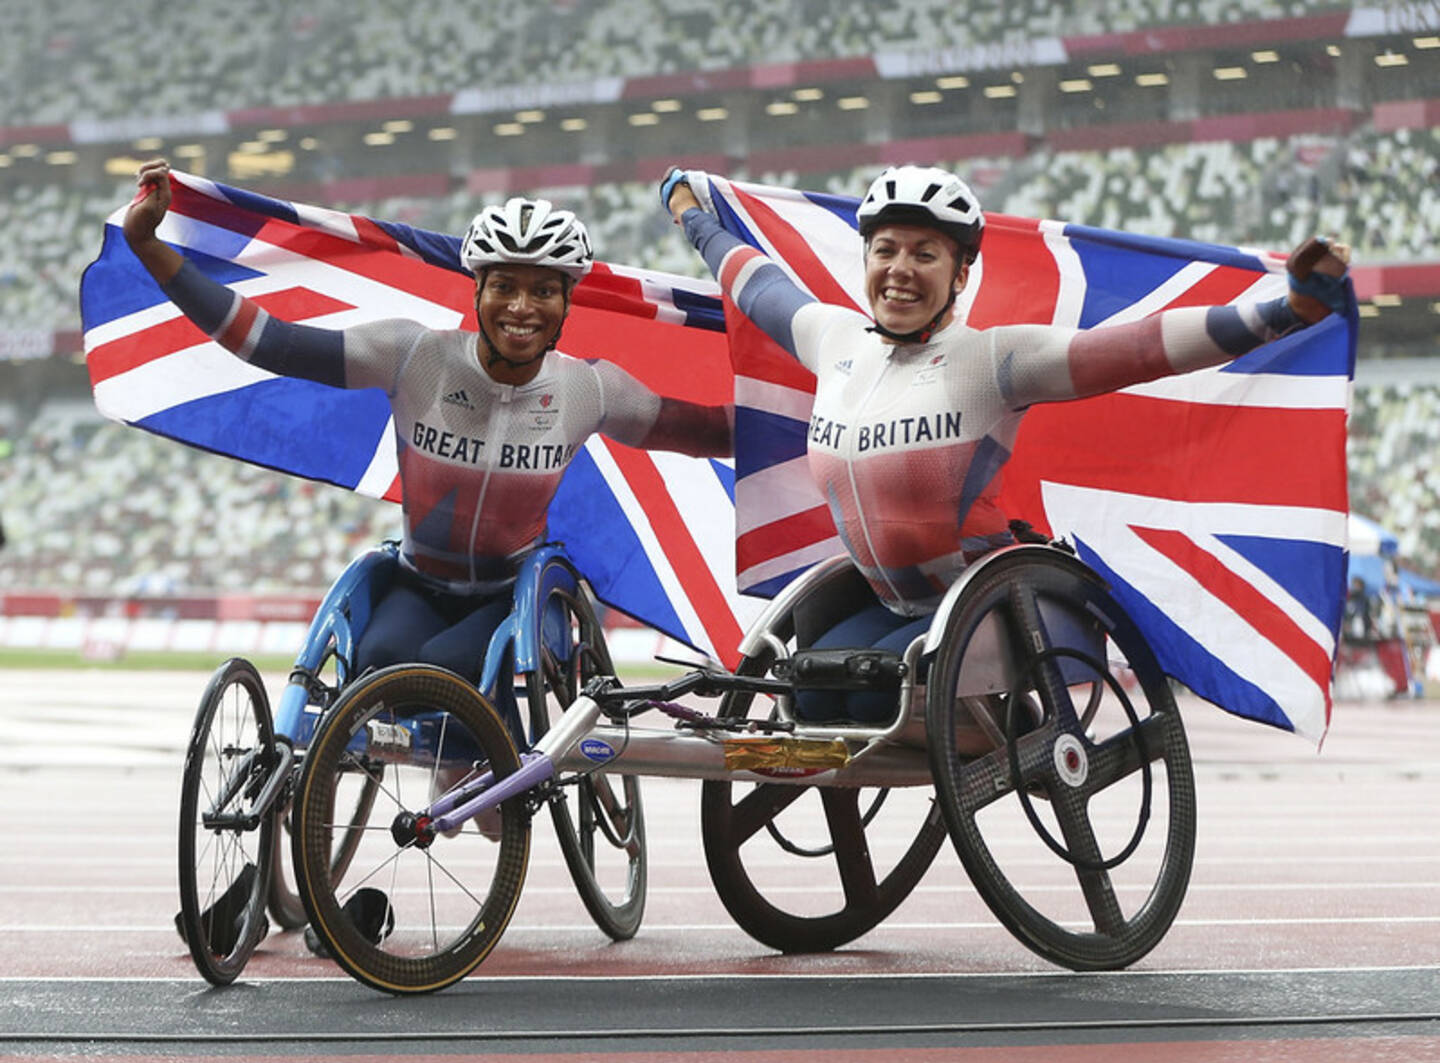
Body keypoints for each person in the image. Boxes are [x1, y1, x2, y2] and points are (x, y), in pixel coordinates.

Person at [662, 163, 1351, 723]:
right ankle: (984, 726)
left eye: (925, 253)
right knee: (809, 700)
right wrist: (692, 215)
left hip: (984, 600)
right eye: (886, 249)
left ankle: (1021, 730)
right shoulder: (834, 340)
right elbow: (756, 285)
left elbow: (1138, 349)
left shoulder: (994, 360)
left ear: (960, 275)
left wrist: (1282, 313)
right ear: (865, 259)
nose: (901, 267)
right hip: (886, 604)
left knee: (873, 697)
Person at [125, 159, 732, 730]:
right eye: (504, 287)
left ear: (567, 301)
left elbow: (708, 431)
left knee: (444, 671)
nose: (522, 308)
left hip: (517, 595)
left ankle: (477, 765)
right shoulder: (413, 355)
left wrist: (813, 404)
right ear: (477, 291)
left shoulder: (590, 389)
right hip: (418, 582)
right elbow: (270, 343)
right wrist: (150, 249)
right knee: (378, 666)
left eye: (543, 291)